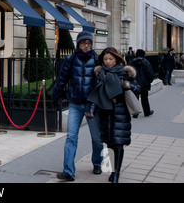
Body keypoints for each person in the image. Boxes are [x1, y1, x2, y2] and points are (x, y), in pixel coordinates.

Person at [52, 31, 103, 181]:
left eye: (89, 43)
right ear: (78, 44)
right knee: (71, 137)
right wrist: (55, 96)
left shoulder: (97, 59)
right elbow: (62, 79)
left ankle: (97, 162)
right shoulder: (71, 59)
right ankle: (68, 170)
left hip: (91, 105)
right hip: (75, 104)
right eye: (83, 43)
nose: (86, 46)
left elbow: (100, 83)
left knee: (97, 138)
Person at [87, 47, 141, 183]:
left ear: (116, 59)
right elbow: (96, 93)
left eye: (111, 59)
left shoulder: (124, 73)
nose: (108, 62)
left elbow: (138, 89)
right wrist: (92, 111)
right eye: (105, 59)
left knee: (118, 144)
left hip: (120, 113)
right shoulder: (100, 74)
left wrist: (128, 85)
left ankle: (116, 174)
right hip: (106, 113)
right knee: (109, 144)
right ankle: (112, 171)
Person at [129, 49, 154, 118]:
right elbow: (150, 73)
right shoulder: (146, 62)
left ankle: (135, 113)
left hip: (134, 83)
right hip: (144, 83)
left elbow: (128, 72)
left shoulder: (131, 62)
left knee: (135, 98)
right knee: (144, 98)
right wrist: (149, 81)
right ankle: (147, 112)